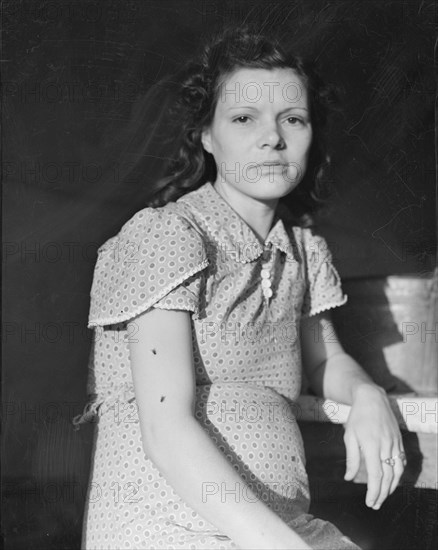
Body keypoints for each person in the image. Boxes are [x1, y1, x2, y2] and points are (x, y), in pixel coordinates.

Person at [72, 26, 406, 550]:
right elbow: (165, 430)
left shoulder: (299, 250)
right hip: (173, 527)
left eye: (292, 119)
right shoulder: (168, 234)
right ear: (206, 134)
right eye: (244, 118)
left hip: (281, 525)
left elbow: (324, 360)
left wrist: (367, 394)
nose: (272, 138)